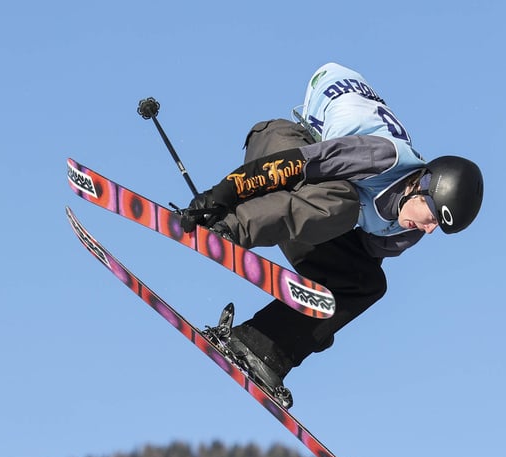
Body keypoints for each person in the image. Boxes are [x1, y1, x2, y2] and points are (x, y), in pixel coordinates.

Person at [180, 62, 484, 407]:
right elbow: (292, 165)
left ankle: (259, 348)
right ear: (420, 186)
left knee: (367, 283)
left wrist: (318, 325)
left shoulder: (405, 233)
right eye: (431, 215)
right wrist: (221, 198)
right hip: (280, 152)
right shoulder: (382, 157)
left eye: (437, 227)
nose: (429, 228)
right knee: (342, 201)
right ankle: (229, 228)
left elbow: (347, 265)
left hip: (305, 210)